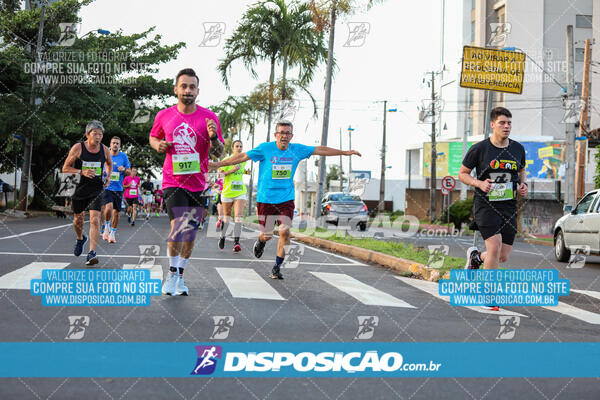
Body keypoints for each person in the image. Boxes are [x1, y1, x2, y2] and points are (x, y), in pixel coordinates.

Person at [211, 119, 360, 279]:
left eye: (287, 133)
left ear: (291, 136)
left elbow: (319, 150)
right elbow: (242, 157)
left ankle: (276, 267)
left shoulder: (297, 150)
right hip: (265, 199)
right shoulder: (265, 149)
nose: (284, 136)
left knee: (285, 232)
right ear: (276, 135)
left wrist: (343, 153)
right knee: (267, 235)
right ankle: (261, 241)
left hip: (286, 199)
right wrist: (218, 164)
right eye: (281, 133)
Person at [149, 68, 224, 296]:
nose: (188, 90)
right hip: (173, 180)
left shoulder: (210, 118)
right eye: (184, 86)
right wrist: (157, 145)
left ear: (197, 91)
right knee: (178, 225)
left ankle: (180, 276)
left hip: (197, 183)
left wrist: (212, 138)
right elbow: (153, 136)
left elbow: (218, 153)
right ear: (176, 89)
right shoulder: (164, 115)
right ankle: (171, 273)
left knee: (190, 234)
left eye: (192, 87)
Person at [458, 107, 528, 311]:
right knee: (494, 247)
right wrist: (479, 183)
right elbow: (462, 174)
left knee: (502, 256)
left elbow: (521, 170)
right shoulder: (480, 148)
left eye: (509, 123)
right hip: (485, 204)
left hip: (508, 205)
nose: (506, 127)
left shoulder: (517, 148)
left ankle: (476, 258)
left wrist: (523, 185)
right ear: (492, 125)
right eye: (502, 123)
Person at [62, 120, 113, 265]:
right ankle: (80, 239)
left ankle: (91, 253)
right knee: (78, 219)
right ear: (87, 134)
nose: (98, 137)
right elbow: (65, 168)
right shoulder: (78, 148)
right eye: (95, 134)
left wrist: (108, 177)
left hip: (96, 188)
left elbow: (109, 164)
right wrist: (81, 171)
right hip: (79, 188)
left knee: (94, 219)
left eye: (101, 134)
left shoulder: (104, 150)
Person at [218, 140, 248, 252]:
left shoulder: (244, 160)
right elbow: (220, 175)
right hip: (227, 193)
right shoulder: (226, 161)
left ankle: (236, 242)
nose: (239, 148)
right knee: (227, 218)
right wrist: (232, 170)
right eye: (237, 146)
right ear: (232, 148)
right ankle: (222, 236)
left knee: (238, 217)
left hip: (240, 192)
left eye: (241, 146)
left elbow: (246, 171)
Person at [101, 136, 131, 243]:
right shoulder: (105, 155)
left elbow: (129, 171)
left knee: (117, 213)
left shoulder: (123, 156)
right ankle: (107, 226)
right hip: (107, 186)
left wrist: (124, 170)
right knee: (108, 208)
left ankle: (113, 233)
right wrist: (103, 174)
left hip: (118, 188)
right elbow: (99, 168)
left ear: (120, 145)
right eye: (113, 143)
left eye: (117, 143)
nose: (115, 145)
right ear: (110, 144)